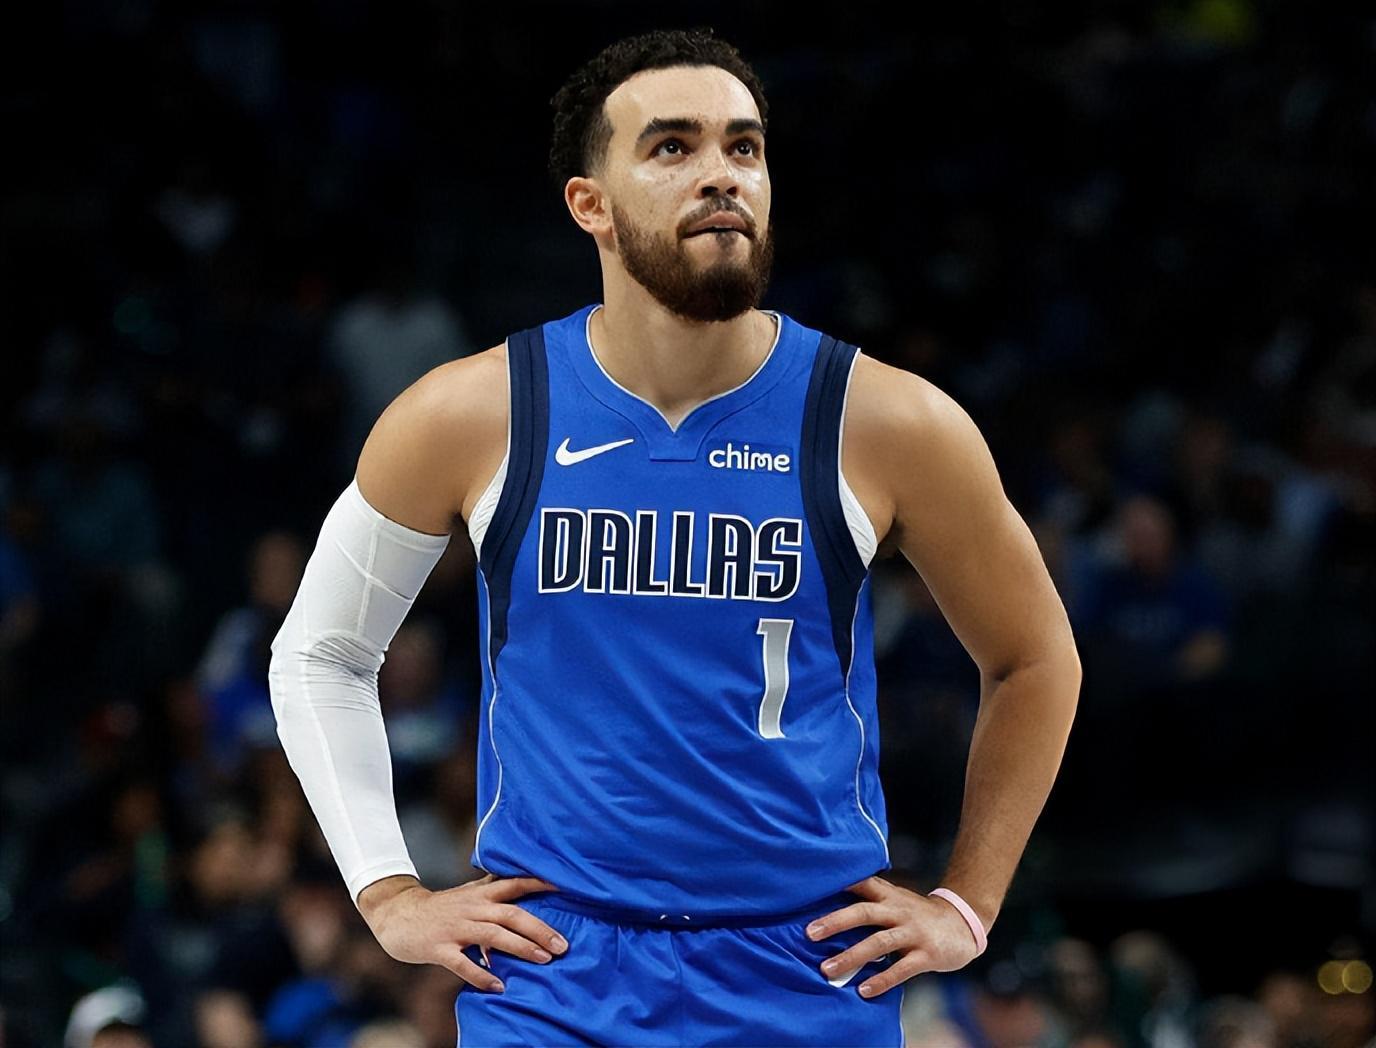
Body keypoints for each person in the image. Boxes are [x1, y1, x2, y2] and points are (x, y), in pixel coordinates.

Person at [267, 27, 1082, 1046]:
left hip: (809, 963)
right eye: (671, 147)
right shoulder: (470, 412)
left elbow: (1034, 658)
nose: (721, 173)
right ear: (590, 205)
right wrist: (387, 891)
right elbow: (321, 653)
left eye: (744, 147)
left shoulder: (889, 421)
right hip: (555, 967)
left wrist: (966, 902)